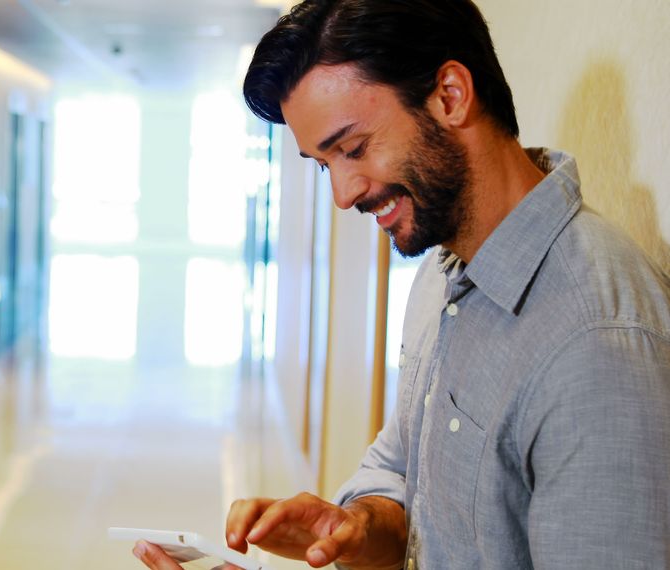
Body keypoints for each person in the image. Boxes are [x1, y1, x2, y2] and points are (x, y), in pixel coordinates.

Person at [133, 0, 670, 568]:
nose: (342, 194)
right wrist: (360, 526)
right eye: (324, 164)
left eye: (353, 148)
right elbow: (401, 472)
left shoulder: (598, 344)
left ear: (450, 96)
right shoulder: (445, 275)